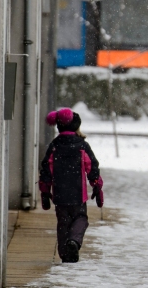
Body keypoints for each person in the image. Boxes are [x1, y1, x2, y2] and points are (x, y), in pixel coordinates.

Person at [39, 108, 103, 264]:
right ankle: (74, 241)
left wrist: (45, 191)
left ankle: (64, 254)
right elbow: (92, 167)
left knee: (63, 223)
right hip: (77, 194)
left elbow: (46, 169)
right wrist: (97, 185)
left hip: (60, 195)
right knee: (80, 219)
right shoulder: (82, 146)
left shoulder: (54, 146)